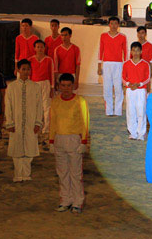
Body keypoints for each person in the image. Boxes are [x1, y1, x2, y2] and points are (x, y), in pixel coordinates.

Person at [49, 73, 90, 214]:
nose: (66, 89)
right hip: (59, 139)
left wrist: (84, 141)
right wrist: (51, 140)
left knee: (75, 173)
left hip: (74, 140)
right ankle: (65, 200)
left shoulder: (80, 101)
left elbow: (85, 122)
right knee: (62, 173)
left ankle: (78, 201)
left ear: (73, 86)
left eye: (68, 86)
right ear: (59, 86)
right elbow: (53, 122)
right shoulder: (55, 101)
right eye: (63, 85)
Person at [4, 59, 42, 182]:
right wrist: (9, 122)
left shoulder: (36, 87)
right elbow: (8, 105)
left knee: (29, 147)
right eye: (23, 69)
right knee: (16, 147)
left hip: (30, 122)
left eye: (28, 69)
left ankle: (26, 174)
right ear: (18, 70)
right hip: (16, 122)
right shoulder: (11, 87)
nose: (26, 71)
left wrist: (38, 122)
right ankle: (17, 174)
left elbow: (39, 106)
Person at [97, 16, 127, 116]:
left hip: (118, 64)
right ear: (109, 24)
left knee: (118, 87)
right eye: (112, 23)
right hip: (106, 64)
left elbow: (125, 52)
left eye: (115, 23)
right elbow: (100, 50)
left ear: (118, 25)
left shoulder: (122, 37)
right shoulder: (103, 36)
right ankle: (108, 110)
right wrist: (99, 65)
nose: (113, 26)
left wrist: (126, 67)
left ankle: (118, 111)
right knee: (107, 87)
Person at [122, 42, 151, 141]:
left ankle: (141, 133)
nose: (135, 52)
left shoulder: (145, 64)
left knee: (141, 111)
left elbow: (147, 78)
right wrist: (128, 84)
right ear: (131, 51)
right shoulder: (126, 64)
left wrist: (139, 84)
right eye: (133, 50)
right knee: (131, 112)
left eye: (138, 50)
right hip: (130, 90)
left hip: (141, 91)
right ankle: (132, 132)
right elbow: (123, 77)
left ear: (141, 51)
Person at [29, 40, 54, 137]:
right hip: (34, 84)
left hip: (45, 84)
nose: (40, 49)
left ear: (44, 48)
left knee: (46, 106)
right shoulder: (30, 60)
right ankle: (34, 126)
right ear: (34, 48)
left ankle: (46, 127)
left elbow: (51, 74)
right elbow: (29, 74)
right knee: (34, 106)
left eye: (41, 47)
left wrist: (52, 88)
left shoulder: (49, 60)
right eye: (38, 47)